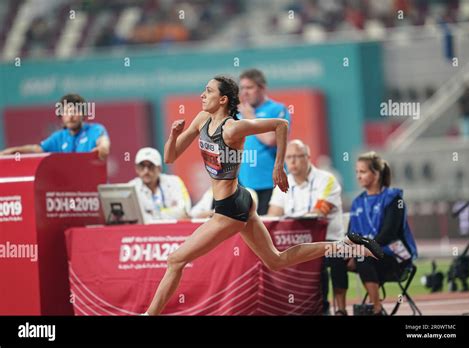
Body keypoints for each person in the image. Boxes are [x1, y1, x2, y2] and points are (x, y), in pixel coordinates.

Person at [142, 75, 383, 315]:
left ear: (223, 99)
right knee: (276, 260)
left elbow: (281, 125)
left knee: (175, 260)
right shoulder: (202, 119)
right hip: (239, 198)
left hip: (229, 210)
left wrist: (279, 167)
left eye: (208, 91)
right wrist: (174, 134)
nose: (202, 95)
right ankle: (344, 245)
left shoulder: (234, 127)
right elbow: (170, 157)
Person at [267, 139, 348, 315]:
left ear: (308, 158)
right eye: (289, 158)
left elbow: (320, 212)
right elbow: (273, 214)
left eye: (297, 156)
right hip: (296, 242)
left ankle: (333, 309)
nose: (293, 161)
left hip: (330, 241)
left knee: (326, 259)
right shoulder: (283, 183)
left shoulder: (327, 180)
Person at [348, 151, 418, 315]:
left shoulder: (394, 199)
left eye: (363, 172)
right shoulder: (357, 202)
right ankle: (339, 310)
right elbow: (350, 235)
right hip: (367, 256)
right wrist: (346, 252)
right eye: (357, 172)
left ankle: (376, 308)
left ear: (377, 174)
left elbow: (388, 235)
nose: (358, 176)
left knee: (362, 254)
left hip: (396, 255)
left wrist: (362, 249)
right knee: (334, 258)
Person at [237, 69, 291, 215]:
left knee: (267, 230)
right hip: (243, 184)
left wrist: (250, 118)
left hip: (270, 183)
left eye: (249, 87)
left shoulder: (277, 110)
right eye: (242, 88)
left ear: (262, 88)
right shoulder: (237, 114)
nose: (245, 92)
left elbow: (271, 140)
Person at [0, 94, 110, 160]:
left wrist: (102, 149)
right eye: (66, 112)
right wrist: (11, 152)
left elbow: (104, 144)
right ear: (61, 116)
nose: (71, 116)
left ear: (84, 114)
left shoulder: (96, 130)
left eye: (75, 111)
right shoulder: (58, 137)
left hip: (94, 189)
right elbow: (36, 149)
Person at [129, 147, 191, 221]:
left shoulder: (174, 182)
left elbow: (184, 210)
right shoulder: (131, 187)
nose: (146, 171)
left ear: (159, 169)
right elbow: (132, 217)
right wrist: (170, 212)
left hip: (172, 229)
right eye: (142, 166)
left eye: (150, 166)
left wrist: (152, 214)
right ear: (136, 169)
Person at [189, 186, 258, 219]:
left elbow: (245, 214)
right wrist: (211, 213)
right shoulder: (210, 193)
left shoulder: (247, 193)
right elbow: (193, 213)